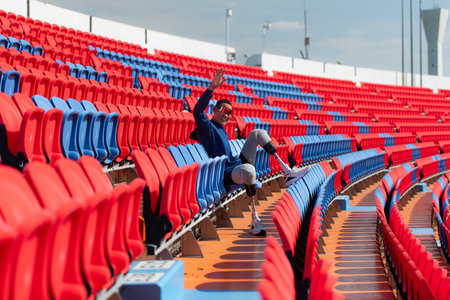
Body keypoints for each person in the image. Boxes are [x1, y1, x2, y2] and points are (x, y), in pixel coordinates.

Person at [192, 68, 311, 235]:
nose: (226, 115)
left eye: (230, 113)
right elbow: (197, 111)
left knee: (258, 133)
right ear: (215, 110)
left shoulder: (222, 128)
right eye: (223, 111)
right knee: (249, 171)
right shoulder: (207, 127)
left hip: (235, 164)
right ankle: (255, 220)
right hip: (224, 173)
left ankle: (287, 170)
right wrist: (212, 87)